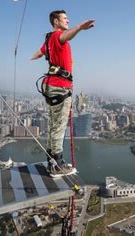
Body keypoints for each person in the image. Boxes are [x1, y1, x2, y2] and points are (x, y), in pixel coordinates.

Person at [31, 10, 94, 177]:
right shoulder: (57, 37)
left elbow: (39, 53)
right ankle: (57, 165)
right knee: (59, 126)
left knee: (53, 125)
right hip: (60, 86)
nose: (68, 20)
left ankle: (51, 160)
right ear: (56, 22)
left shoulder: (48, 40)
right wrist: (79, 27)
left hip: (51, 85)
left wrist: (33, 58)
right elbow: (66, 37)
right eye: (65, 18)